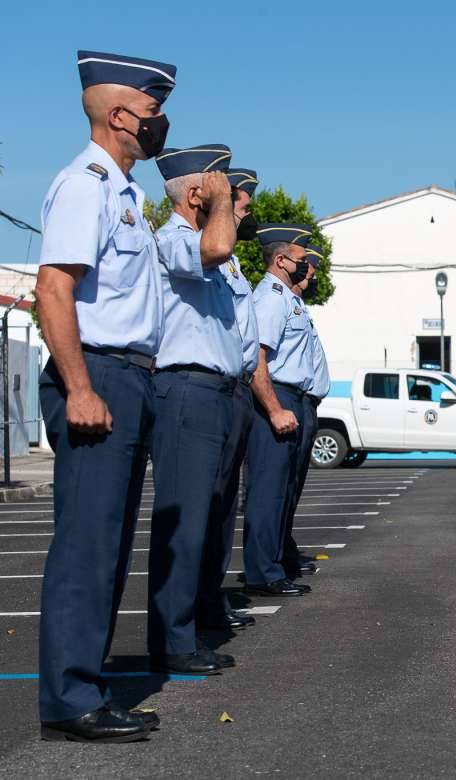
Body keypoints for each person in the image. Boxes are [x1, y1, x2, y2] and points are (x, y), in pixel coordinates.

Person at [34, 49, 175, 743]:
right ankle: (70, 700)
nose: (160, 124)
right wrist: (80, 385)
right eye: (153, 112)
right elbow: (53, 288)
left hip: (129, 374)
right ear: (121, 116)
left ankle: (84, 686)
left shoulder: (125, 194)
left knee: (110, 543)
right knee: (87, 545)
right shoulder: (84, 185)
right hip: (97, 374)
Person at [149, 144, 241, 674]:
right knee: (183, 521)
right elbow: (221, 245)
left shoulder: (204, 245)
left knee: (204, 517)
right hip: (186, 389)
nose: (229, 196)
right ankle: (171, 640)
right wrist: (223, 204)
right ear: (194, 193)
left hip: (215, 392)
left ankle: (186, 628)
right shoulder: (175, 240)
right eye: (220, 185)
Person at [195, 166, 262, 632]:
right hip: (201, 388)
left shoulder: (232, 264)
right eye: (240, 205)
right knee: (202, 506)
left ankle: (209, 601)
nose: (245, 214)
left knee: (221, 509)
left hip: (231, 387)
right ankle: (191, 615)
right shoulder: (192, 246)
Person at [243, 224, 316, 597]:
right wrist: (273, 408)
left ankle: (274, 563)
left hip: (293, 397)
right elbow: (258, 358)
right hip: (279, 397)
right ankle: (262, 571)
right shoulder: (271, 299)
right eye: (302, 261)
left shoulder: (287, 298)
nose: (307, 268)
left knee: (282, 489)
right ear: (281, 259)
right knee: (267, 491)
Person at [282, 244, 331, 579]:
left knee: (292, 486)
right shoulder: (275, 299)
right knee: (279, 488)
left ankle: (283, 551)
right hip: (288, 398)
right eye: (307, 266)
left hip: (304, 400)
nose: (311, 274)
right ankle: (271, 562)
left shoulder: (297, 305)